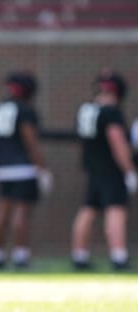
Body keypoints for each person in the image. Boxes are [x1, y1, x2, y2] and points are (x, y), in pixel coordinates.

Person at [71, 71, 138, 271]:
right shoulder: (110, 111)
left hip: (93, 167)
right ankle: (119, 256)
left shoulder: (86, 109)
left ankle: (79, 255)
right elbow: (117, 142)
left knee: (88, 209)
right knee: (116, 209)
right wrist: (130, 171)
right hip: (111, 169)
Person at [0, 72, 53, 269]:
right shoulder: (25, 110)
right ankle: (20, 256)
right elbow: (30, 141)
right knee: (22, 212)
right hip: (24, 168)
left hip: (2, 166)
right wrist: (42, 168)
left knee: (2, 210)